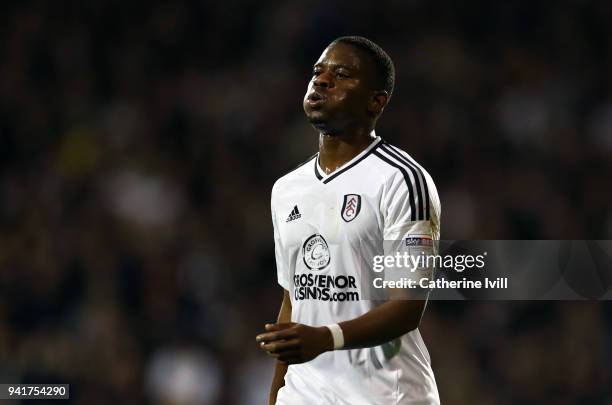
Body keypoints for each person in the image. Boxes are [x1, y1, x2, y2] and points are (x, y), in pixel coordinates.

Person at [256, 36, 441, 405]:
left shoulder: (401, 179)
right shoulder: (286, 189)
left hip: (386, 395)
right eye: (318, 72)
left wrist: (327, 338)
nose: (322, 80)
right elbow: (294, 299)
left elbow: (408, 305)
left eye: (341, 74)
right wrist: (276, 395)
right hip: (306, 395)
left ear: (377, 100)